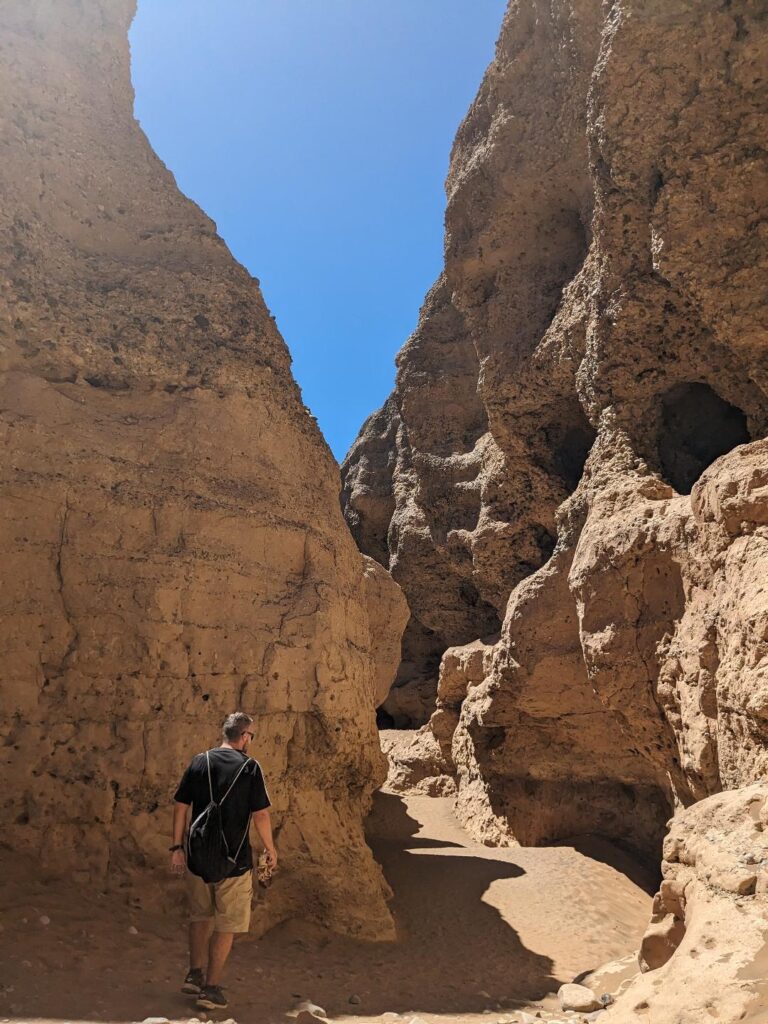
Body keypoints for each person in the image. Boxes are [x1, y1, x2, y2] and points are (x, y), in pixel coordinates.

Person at [170, 711, 277, 1011]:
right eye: (251, 736)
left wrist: (177, 847)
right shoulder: (250, 768)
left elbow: (180, 807)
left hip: (198, 857)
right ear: (243, 736)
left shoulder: (199, 761)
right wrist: (270, 848)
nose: (250, 741)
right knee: (226, 924)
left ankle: (194, 974)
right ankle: (211, 989)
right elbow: (261, 814)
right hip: (235, 861)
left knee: (200, 916)